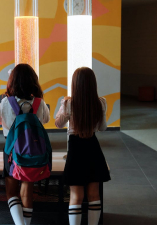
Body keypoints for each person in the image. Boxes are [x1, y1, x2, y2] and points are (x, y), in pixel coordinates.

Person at [0, 64, 50, 225]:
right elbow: (46, 120)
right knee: (27, 187)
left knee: (11, 191)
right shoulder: (39, 102)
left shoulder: (6, 102)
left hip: (11, 150)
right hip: (33, 149)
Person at [55, 67, 111, 225]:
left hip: (75, 148)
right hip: (92, 146)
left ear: (75, 84)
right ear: (93, 84)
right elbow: (102, 128)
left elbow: (58, 124)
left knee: (76, 196)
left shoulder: (69, 103)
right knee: (94, 194)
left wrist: (62, 104)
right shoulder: (100, 102)